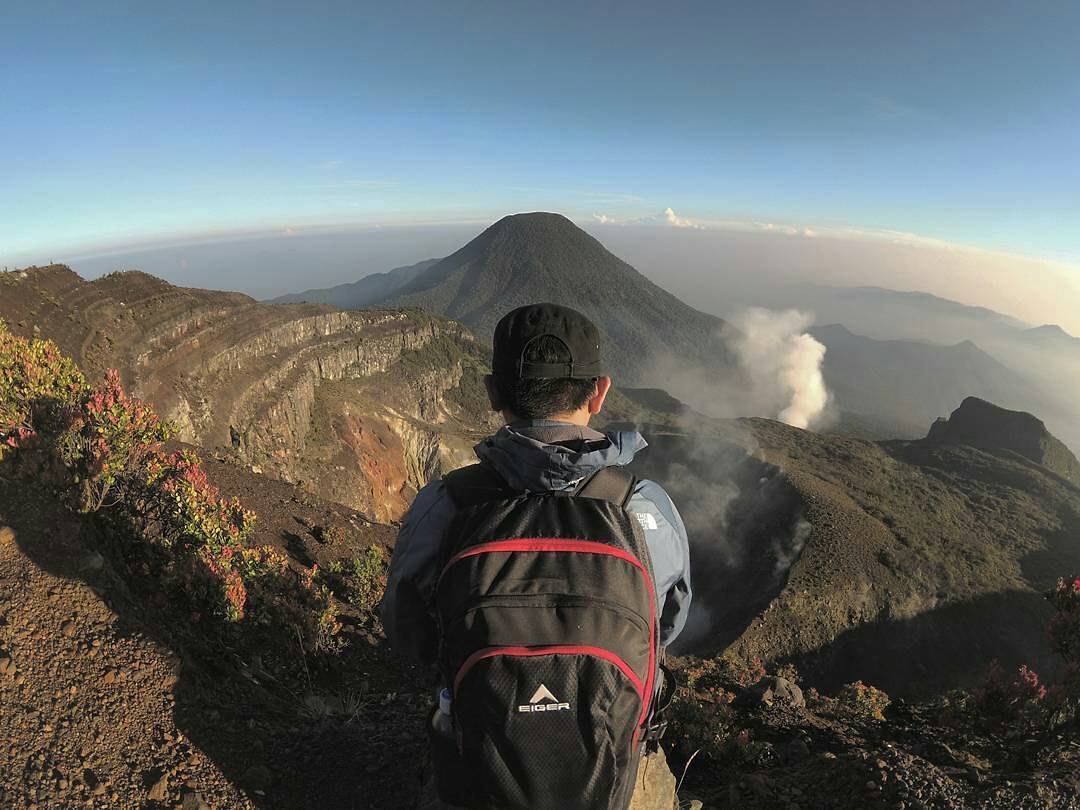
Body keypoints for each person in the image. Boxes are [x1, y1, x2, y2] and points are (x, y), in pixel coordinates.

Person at [381, 303, 692, 810]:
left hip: (474, 761)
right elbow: (668, 623)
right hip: (609, 760)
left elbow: (406, 626)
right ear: (600, 391)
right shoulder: (642, 506)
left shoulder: (448, 504)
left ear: (492, 392)